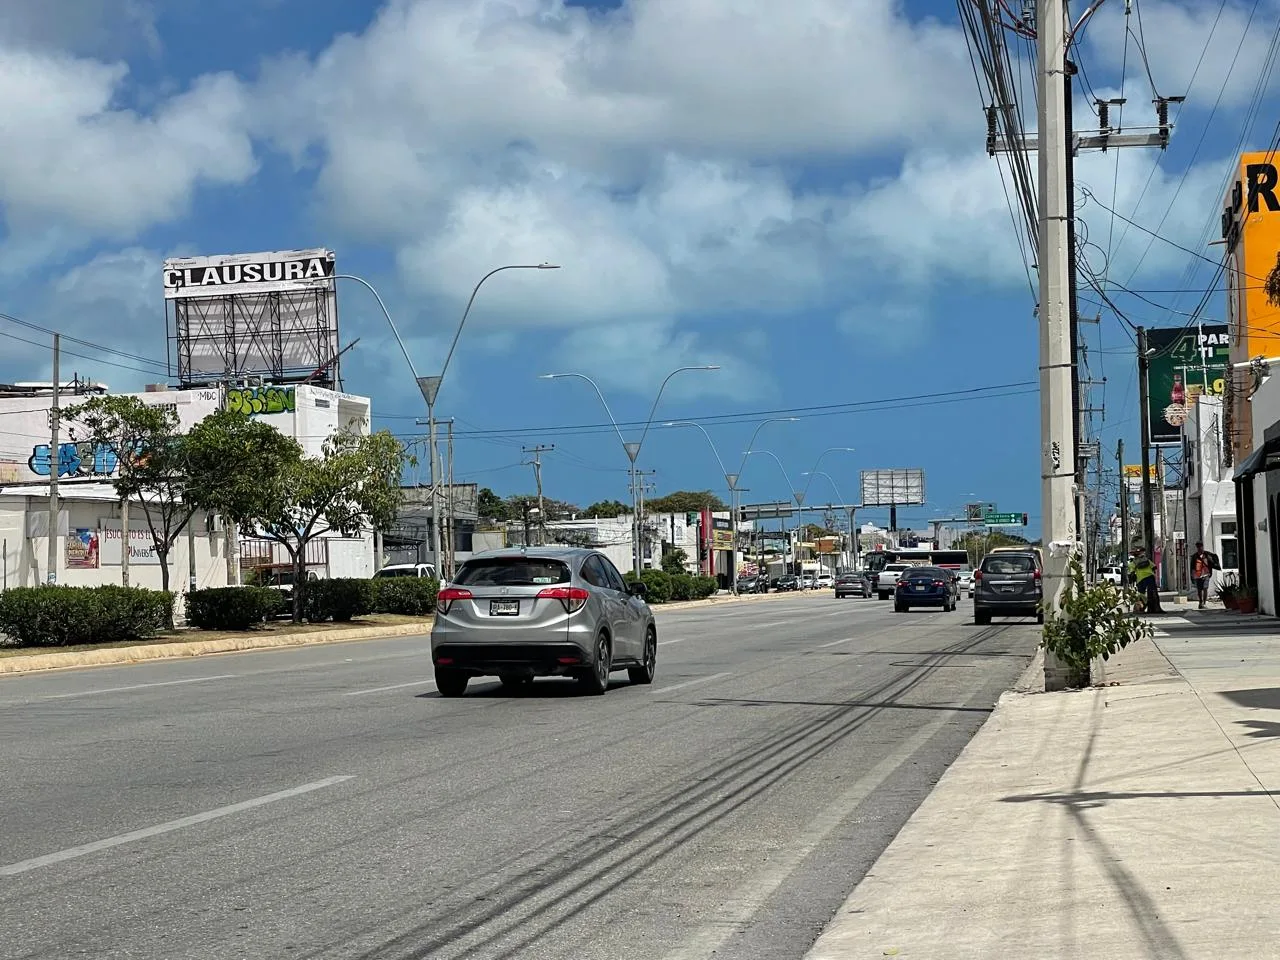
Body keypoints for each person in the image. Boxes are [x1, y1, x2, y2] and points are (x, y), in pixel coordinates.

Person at [1129, 547, 1162, 614]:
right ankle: (1155, 608)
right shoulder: (1147, 560)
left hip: (1140, 579)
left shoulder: (1132, 563)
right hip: (1150, 577)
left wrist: (1132, 581)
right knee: (1153, 593)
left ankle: (1141, 608)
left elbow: (1132, 573)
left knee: (1141, 595)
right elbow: (1154, 567)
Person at [1190, 540, 1221, 609]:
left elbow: (1213, 560)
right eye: (1198, 547)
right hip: (1198, 575)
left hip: (1206, 574)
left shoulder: (1207, 555)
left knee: (1205, 588)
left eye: (1200, 546)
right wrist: (1192, 576)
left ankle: (1204, 603)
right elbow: (1192, 567)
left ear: (1202, 547)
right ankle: (1200, 602)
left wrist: (1215, 564)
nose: (1199, 548)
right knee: (1199, 589)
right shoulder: (1195, 556)